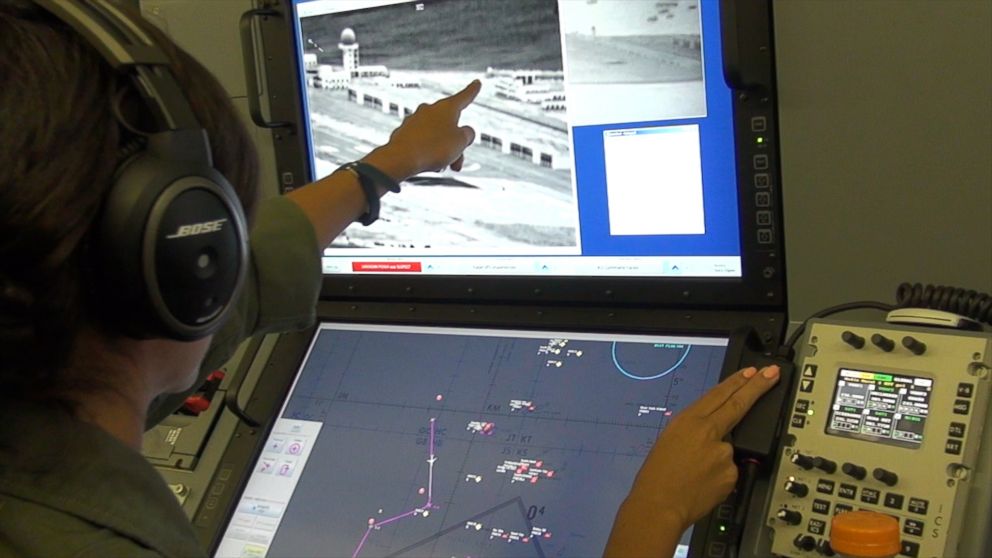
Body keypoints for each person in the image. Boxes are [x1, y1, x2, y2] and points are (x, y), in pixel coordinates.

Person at [0, 3, 780, 557]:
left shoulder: (41, 380)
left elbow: (264, 263)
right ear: (172, 269)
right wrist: (656, 516)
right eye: (213, 251)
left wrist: (381, 169)